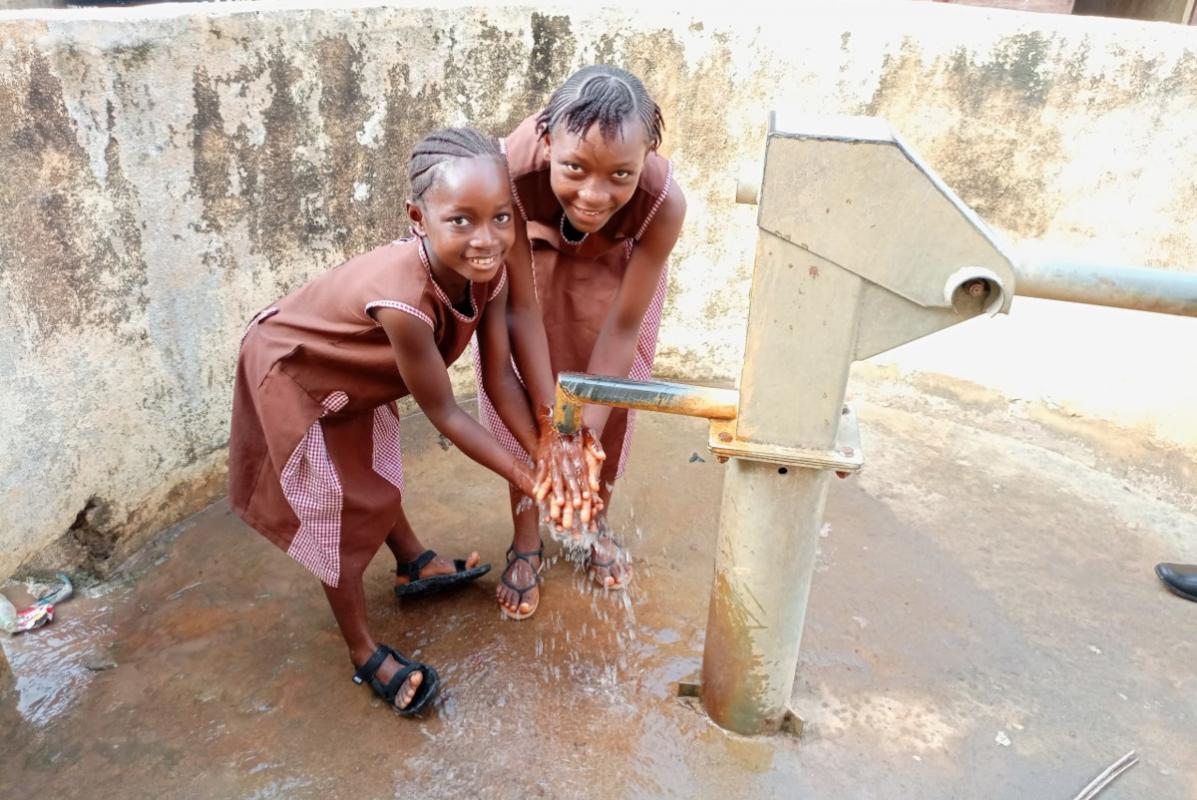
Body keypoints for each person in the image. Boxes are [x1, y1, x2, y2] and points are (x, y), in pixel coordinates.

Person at [228, 128, 543, 715]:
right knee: (341, 513)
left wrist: (544, 452)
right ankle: (362, 650)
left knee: (372, 470)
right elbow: (445, 411)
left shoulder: (489, 271)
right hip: (295, 373)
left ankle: (412, 563)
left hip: (354, 373)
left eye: (502, 217)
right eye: (461, 221)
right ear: (417, 217)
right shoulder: (403, 302)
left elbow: (499, 377)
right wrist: (531, 481)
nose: (487, 238)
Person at [477, 65, 687, 619]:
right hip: (531, 276)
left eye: (621, 174)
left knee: (608, 415)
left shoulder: (662, 202)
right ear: (547, 143)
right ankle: (526, 539)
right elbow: (520, 312)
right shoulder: (506, 176)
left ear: (645, 158)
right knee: (525, 402)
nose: (594, 194)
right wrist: (552, 426)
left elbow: (622, 329)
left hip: (618, 279)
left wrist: (577, 440)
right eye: (574, 168)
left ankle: (592, 518)